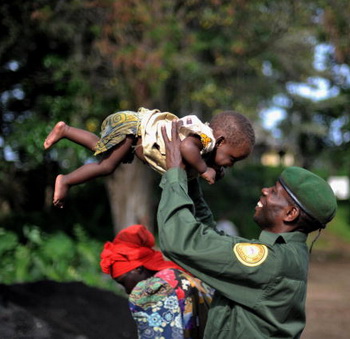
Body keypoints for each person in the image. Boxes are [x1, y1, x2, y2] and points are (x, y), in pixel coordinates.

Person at [156, 121, 337, 338]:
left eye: (275, 192)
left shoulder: (271, 261)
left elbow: (180, 242)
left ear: (290, 214)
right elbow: (210, 238)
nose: (264, 190)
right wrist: (191, 179)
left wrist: (175, 175)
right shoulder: (286, 256)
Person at [43, 107, 255, 207]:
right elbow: (188, 149)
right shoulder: (204, 139)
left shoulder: (205, 140)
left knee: (100, 148)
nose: (230, 165)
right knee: (106, 166)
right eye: (232, 159)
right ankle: (66, 180)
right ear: (220, 141)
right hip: (133, 127)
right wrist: (204, 170)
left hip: (135, 126)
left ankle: (66, 130)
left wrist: (213, 169)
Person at [100, 224, 214, 339]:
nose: (127, 290)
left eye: (123, 282)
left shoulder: (154, 288)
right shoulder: (179, 276)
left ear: (137, 269)